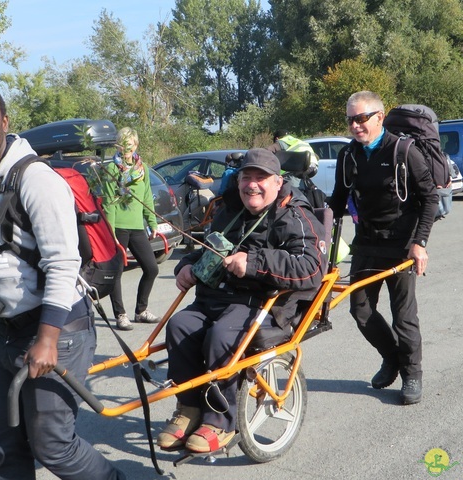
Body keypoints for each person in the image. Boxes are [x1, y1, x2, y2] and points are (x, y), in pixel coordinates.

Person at [0, 83, 125, 480]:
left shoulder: (35, 179)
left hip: (56, 328)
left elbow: (62, 262)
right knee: (3, 446)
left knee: (53, 445)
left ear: (4, 122)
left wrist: (48, 339)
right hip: (2, 334)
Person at [157, 148, 326, 453]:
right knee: (180, 326)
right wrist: (186, 266)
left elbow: (311, 267)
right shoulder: (229, 210)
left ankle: (220, 421)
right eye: (247, 177)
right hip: (216, 297)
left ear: (277, 182)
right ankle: (189, 408)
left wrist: (254, 262)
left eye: (261, 178)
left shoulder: (295, 215)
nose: (252, 184)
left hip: (262, 303)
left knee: (221, 337)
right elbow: (206, 247)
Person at [328, 91, 438, 405]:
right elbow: (337, 201)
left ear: (379, 116)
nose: (355, 125)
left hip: (402, 244)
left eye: (361, 118)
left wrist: (420, 243)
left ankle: (412, 374)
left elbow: (429, 198)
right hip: (367, 242)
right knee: (360, 310)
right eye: (350, 119)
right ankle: (392, 358)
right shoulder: (348, 156)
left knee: (403, 315)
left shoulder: (404, 150)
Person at [101, 127, 160, 331]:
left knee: (152, 268)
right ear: (118, 145)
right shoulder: (111, 169)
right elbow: (108, 203)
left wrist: (152, 223)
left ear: (135, 145)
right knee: (116, 273)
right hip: (118, 227)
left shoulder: (143, 169)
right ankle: (120, 314)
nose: (126, 148)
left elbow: (146, 198)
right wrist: (111, 233)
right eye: (122, 144)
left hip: (137, 227)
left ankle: (141, 311)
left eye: (130, 144)